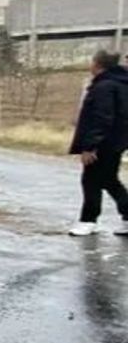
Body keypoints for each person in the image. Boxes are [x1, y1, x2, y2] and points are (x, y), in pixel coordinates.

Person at [68, 51, 128, 236]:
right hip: (117, 141)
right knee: (109, 180)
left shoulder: (104, 86)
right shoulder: (120, 83)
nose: (90, 65)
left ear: (99, 65)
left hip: (104, 143)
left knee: (91, 180)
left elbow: (102, 119)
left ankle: (88, 220)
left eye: (92, 62)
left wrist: (90, 146)